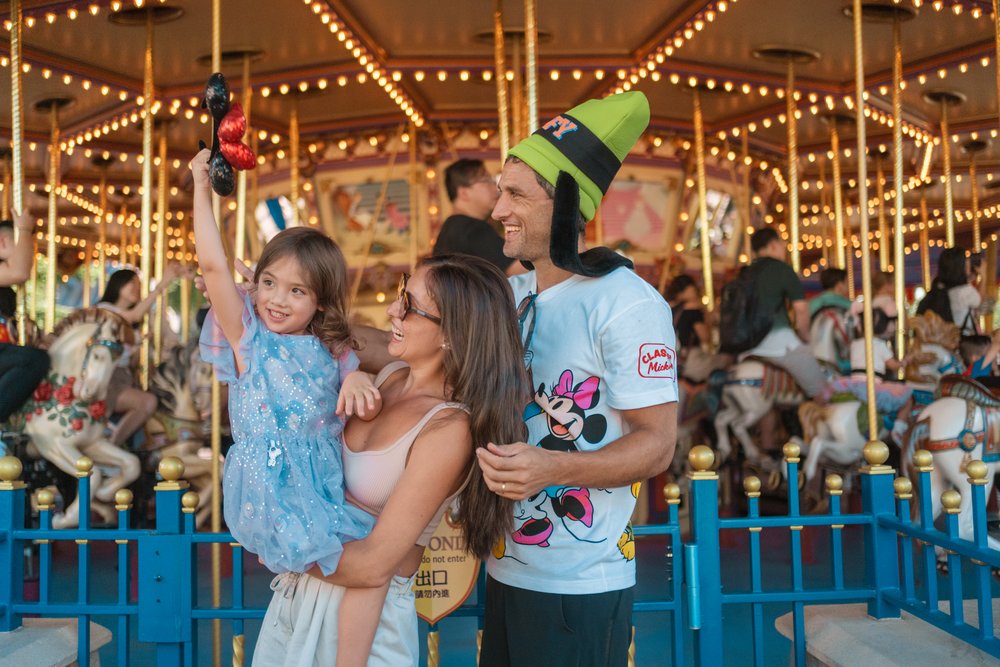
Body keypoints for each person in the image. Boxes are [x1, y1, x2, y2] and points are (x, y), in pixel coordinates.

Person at [474, 91, 679, 666]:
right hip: (504, 566)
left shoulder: (626, 303)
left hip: (579, 585)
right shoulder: (509, 295)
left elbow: (657, 444)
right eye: (499, 193)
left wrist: (551, 466)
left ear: (563, 205)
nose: (498, 211)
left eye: (516, 194)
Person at [193, 147, 400, 665]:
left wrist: (357, 383)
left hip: (323, 483)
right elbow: (214, 266)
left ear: (322, 302)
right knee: (372, 566)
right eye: (267, 283)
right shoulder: (249, 340)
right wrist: (201, 187)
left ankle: (344, 653)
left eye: (296, 290)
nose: (276, 300)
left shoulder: (337, 354)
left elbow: (364, 413)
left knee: (373, 567)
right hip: (272, 483)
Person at [96, 265, 189, 447]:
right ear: (118, 284)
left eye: (139, 285)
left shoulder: (131, 324)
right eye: (132, 283)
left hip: (125, 376)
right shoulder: (105, 310)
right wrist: (162, 285)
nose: (136, 288)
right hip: (107, 378)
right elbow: (133, 315)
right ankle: (113, 446)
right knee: (147, 403)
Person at [740, 227, 828, 399]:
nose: (784, 247)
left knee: (767, 408)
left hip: (746, 346)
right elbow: (801, 309)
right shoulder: (782, 269)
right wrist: (805, 336)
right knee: (821, 390)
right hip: (778, 343)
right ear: (773, 245)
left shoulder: (744, 273)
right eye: (781, 243)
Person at [827, 304, 914, 443]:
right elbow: (894, 367)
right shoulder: (880, 345)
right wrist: (907, 360)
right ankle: (898, 429)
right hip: (872, 384)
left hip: (853, 384)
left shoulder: (855, 344)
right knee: (907, 398)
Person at [0, 213, 50, 429]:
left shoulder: (7, 293)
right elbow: (20, 272)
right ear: (2, 242)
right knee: (34, 360)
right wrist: (25, 230)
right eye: (20, 244)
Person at [432, 158, 523, 276]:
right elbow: (518, 269)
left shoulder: (452, 227)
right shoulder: (471, 228)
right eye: (486, 181)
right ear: (464, 193)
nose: (495, 187)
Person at [918, 246, 982, 335]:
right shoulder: (964, 291)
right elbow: (982, 302)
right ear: (960, 266)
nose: (968, 263)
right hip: (959, 340)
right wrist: (984, 275)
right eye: (965, 261)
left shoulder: (938, 288)